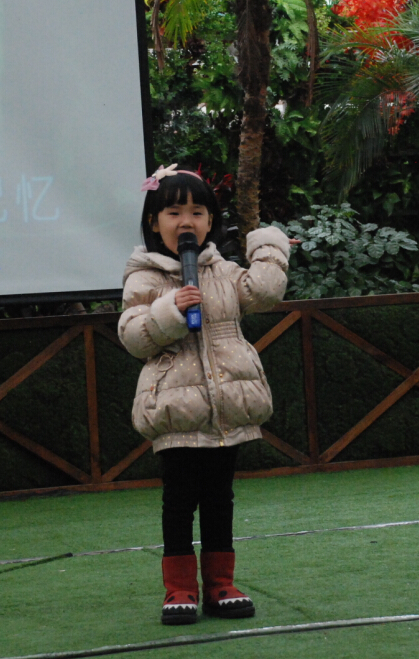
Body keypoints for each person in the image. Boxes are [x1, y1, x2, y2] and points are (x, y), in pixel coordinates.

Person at [117, 164, 291, 625]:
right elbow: (133, 336)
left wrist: (268, 245)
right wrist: (170, 310)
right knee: (178, 501)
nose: (186, 222)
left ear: (211, 222)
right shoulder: (145, 277)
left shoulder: (223, 271)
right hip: (176, 409)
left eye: (197, 212)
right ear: (154, 222)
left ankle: (220, 585)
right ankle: (179, 589)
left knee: (219, 498)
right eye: (174, 212)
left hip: (227, 408)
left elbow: (264, 293)